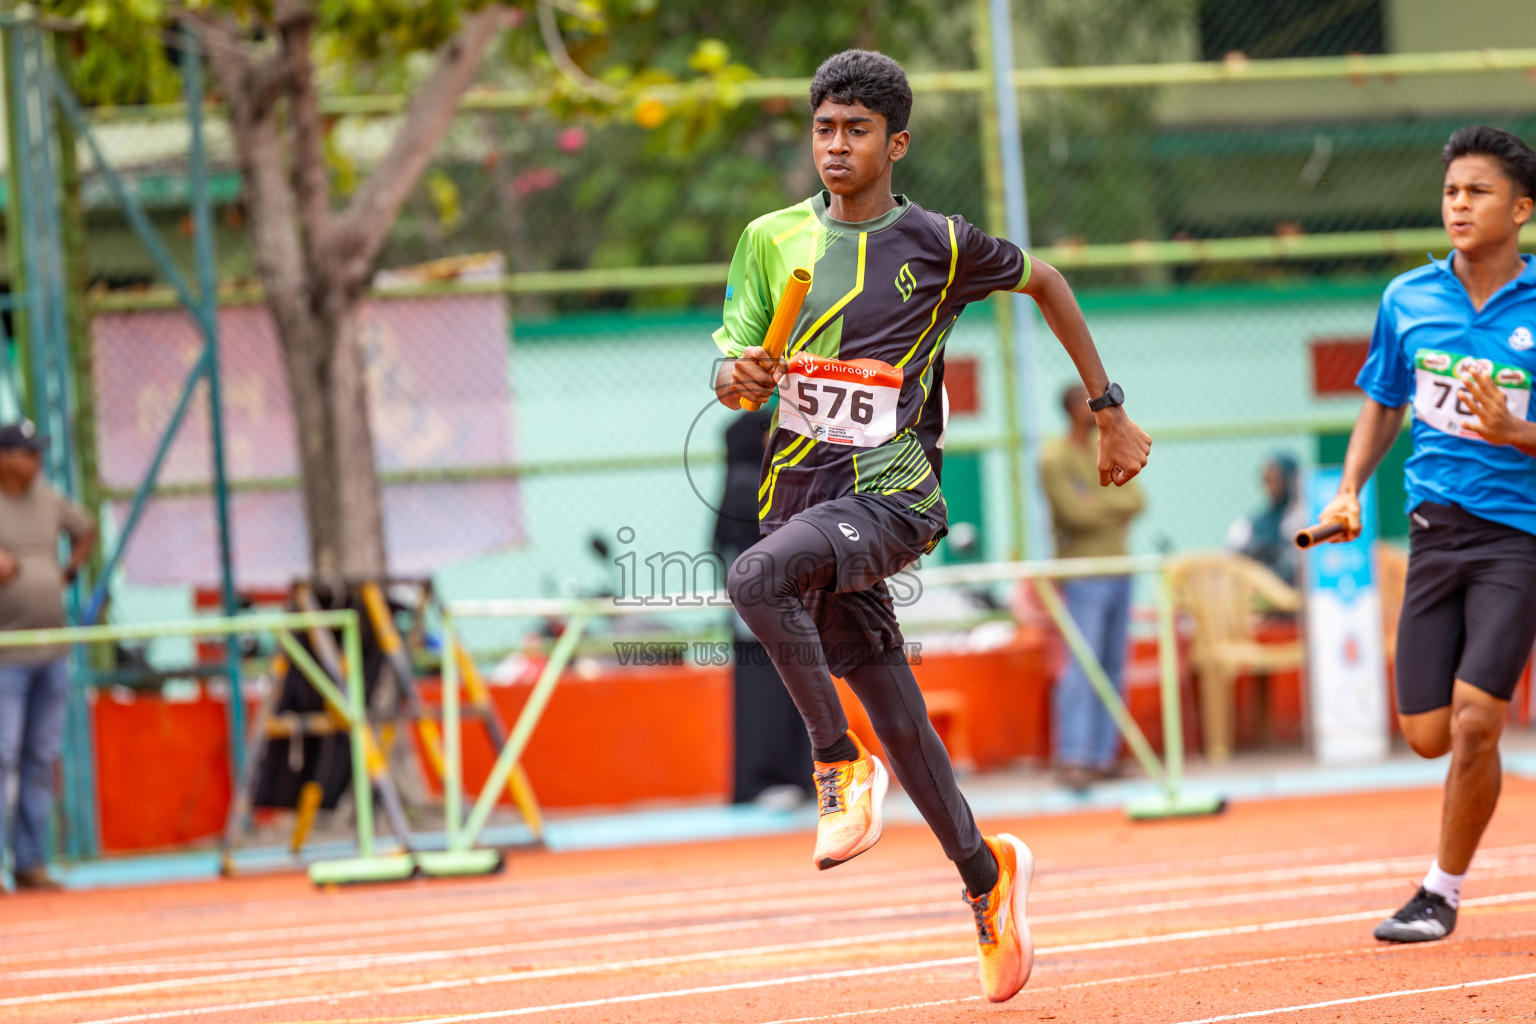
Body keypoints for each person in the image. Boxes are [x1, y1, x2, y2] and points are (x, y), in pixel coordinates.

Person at [712, 50, 1151, 1002]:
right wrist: (738, 375)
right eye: (824, 128)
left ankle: (837, 766)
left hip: (893, 496)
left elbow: (1049, 283)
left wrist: (1107, 408)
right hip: (801, 500)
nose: (836, 145)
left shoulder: (939, 244)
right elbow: (733, 368)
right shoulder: (770, 240)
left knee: (752, 579)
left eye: (856, 130)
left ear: (896, 143)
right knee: (901, 718)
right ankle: (987, 878)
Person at [1317, 125, 1536, 943]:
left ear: (1522, 209)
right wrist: (1349, 490)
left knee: (1478, 721)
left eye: (1478, 192)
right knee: (1427, 735)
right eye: (1451, 192)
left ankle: (1438, 892)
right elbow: (1383, 402)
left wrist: (1517, 433)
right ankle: (1475, 780)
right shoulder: (1408, 298)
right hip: (1434, 533)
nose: (1459, 205)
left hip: (1519, 536)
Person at [0, 420, 96, 892]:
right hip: (5, 655)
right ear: (4, 458)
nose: (36, 461)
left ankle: (30, 862)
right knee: (2, 755)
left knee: (40, 757)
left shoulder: (48, 497)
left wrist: (68, 571)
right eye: (27, 452)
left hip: (51, 651)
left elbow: (87, 527)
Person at [1040, 384, 1145, 790]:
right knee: (1083, 664)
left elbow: (1136, 500)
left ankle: (1102, 757)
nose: (1100, 410)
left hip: (1120, 569)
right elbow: (1073, 514)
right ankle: (1074, 757)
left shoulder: (1110, 447)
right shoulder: (1053, 457)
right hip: (1083, 573)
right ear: (1072, 409)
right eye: (1090, 404)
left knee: (1113, 666)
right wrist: (1108, 506)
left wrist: (1093, 503)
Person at [713, 410, 813, 807]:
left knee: (785, 692)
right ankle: (767, 780)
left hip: (765, 608)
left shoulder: (744, 481)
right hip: (763, 612)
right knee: (768, 697)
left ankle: (790, 777)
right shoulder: (748, 484)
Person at [1224, 453, 1307, 585]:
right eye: (1267, 480)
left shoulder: (1301, 517)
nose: (1271, 486)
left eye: (1276, 480)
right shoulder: (1253, 522)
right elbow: (1228, 552)